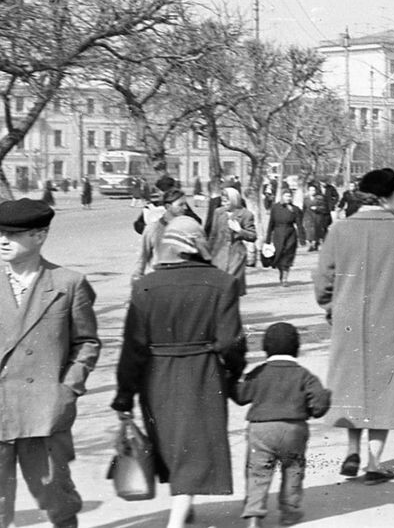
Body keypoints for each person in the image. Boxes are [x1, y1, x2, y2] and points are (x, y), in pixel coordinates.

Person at [112, 216, 247, 528]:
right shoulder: (222, 282)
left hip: (156, 376)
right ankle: (178, 517)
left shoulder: (145, 286)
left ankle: (181, 510)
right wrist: (233, 372)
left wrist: (124, 397)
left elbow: (132, 347)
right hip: (203, 373)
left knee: (173, 442)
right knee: (195, 442)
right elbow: (231, 341)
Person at [313, 168, 394, 485]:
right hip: (390, 324)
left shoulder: (339, 231)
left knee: (351, 384)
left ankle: (351, 451)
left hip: (347, 322)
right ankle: (374, 462)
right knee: (384, 390)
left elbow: (322, 281)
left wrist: (332, 308)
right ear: (390, 196)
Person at [0, 199, 99, 528]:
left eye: (13, 234)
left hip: (43, 410)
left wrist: (68, 388)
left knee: (56, 499)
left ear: (40, 236)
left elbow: (86, 342)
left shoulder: (68, 284)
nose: (2, 240)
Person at [234, 322, 331, 528]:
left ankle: (253, 515)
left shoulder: (259, 372)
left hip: (260, 429)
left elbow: (241, 396)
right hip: (293, 428)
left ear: (265, 347)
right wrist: (320, 404)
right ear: (296, 347)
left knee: (258, 471)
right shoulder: (304, 374)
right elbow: (319, 403)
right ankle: (289, 511)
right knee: (293, 469)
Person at [206, 187, 257, 297]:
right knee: (218, 285)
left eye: (226, 201)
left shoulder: (246, 214)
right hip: (219, 253)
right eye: (223, 201)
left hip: (236, 254)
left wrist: (239, 230)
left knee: (230, 284)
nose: (224, 203)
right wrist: (207, 253)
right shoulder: (218, 212)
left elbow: (253, 236)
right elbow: (213, 234)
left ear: (234, 200)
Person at [133, 189, 192, 283]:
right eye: (180, 205)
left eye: (185, 204)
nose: (185, 208)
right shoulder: (152, 229)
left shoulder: (189, 228)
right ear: (168, 206)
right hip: (159, 280)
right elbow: (142, 258)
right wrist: (136, 281)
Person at [265, 190, 305, 287]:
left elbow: (299, 224)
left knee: (288, 256)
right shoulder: (275, 207)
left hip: (290, 234)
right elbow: (271, 223)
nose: (288, 198)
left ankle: (285, 278)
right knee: (279, 255)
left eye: (290, 196)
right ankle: (281, 273)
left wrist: (302, 238)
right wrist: (268, 239)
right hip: (278, 234)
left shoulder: (295, 209)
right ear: (282, 196)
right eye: (286, 196)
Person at [303, 185, 331, 251]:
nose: (312, 192)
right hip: (308, 217)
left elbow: (324, 208)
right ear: (308, 191)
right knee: (309, 232)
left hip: (317, 217)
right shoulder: (305, 199)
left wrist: (317, 208)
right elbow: (304, 208)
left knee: (316, 231)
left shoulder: (320, 198)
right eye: (310, 190)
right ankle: (311, 245)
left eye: (313, 190)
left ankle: (315, 244)